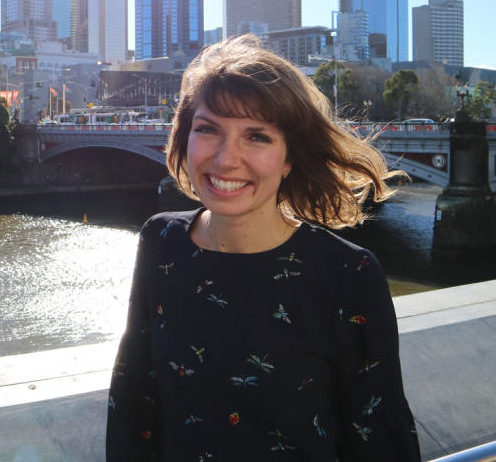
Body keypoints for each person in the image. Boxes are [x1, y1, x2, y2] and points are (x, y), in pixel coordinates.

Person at [106, 35, 421, 461]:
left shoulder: (347, 274)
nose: (225, 159)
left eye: (257, 136)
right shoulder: (161, 242)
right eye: (207, 130)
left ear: (289, 157)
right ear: (183, 138)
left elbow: (380, 435)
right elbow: (133, 401)